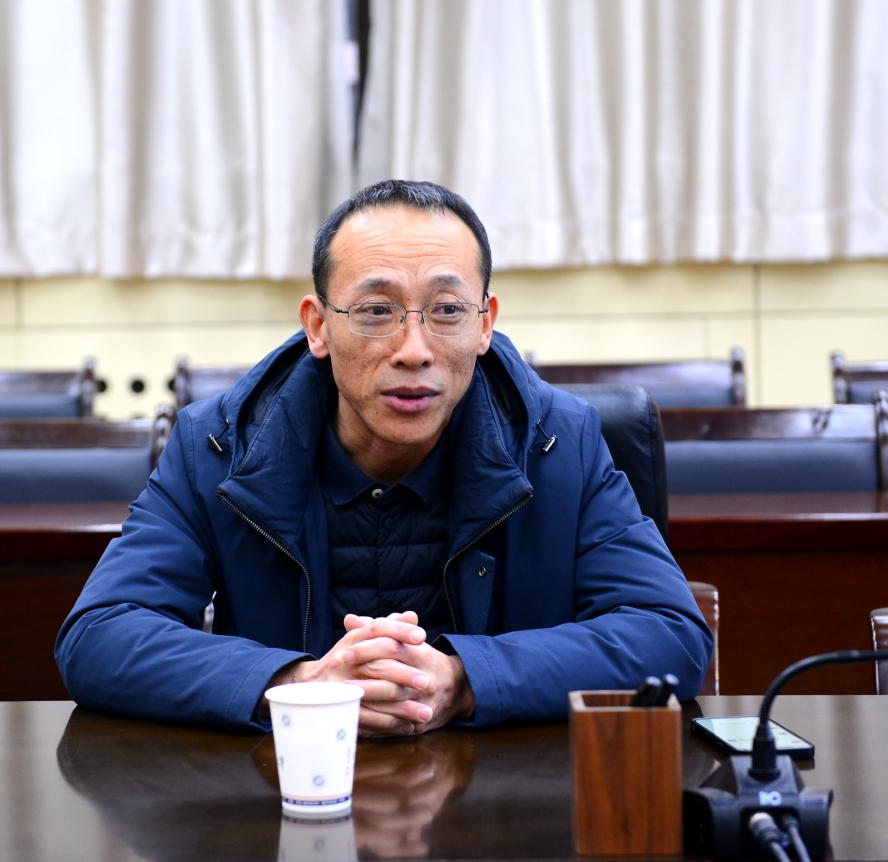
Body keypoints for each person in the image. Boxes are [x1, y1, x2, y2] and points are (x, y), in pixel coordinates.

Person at [55, 180, 712, 735]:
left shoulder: (557, 441)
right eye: (376, 310)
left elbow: (670, 634)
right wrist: (300, 684)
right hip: (284, 795)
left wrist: (463, 679)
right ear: (318, 325)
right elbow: (99, 635)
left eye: (447, 310)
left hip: (506, 803)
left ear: (485, 323)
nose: (414, 350)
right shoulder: (220, 445)